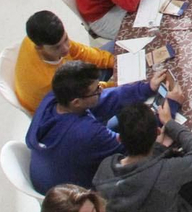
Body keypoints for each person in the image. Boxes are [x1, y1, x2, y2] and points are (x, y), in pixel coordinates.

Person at [26, 61, 170, 193]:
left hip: (50, 172)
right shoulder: (87, 133)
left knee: (123, 116)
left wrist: (147, 88)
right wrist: (169, 113)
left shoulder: (55, 98)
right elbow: (137, 146)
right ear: (76, 102)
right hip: (75, 192)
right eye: (96, 90)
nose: (100, 91)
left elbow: (107, 99)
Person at [93, 103, 192, 212]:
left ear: (120, 139)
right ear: (158, 132)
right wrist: (170, 123)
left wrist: (156, 147)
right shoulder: (166, 171)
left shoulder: (105, 167)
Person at [14, 10, 115, 114]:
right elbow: (85, 96)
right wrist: (116, 84)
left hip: (75, 84)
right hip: (66, 109)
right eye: (57, 47)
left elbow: (80, 52)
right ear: (40, 48)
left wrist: (113, 61)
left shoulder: (39, 38)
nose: (66, 48)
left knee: (117, 47)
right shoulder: (49, 81)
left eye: (66, 39)